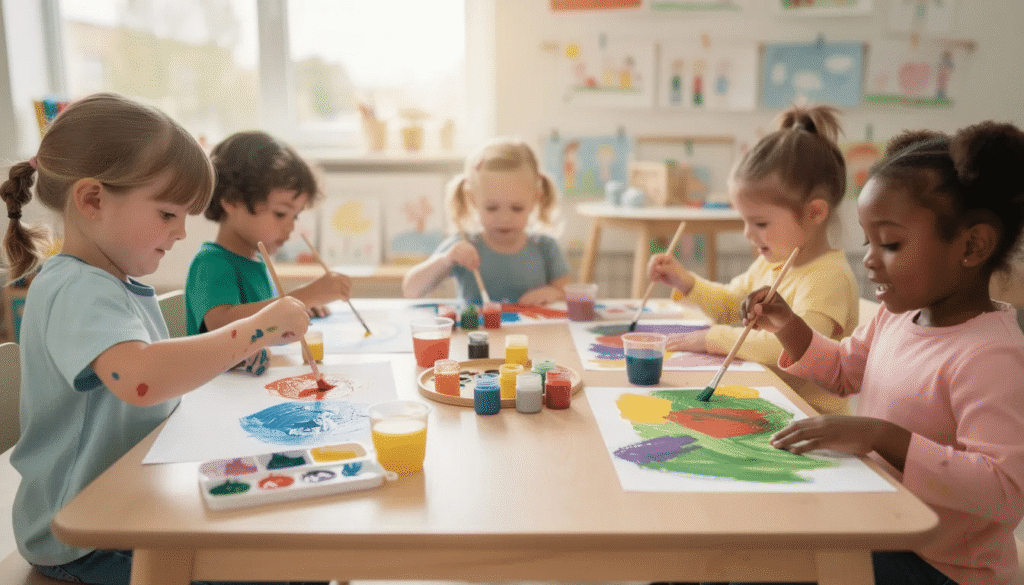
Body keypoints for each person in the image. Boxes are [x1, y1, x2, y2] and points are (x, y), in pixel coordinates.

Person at [1, 93, 317, 584]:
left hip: (130, 502)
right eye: (169, 214)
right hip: (83, 535)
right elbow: (142, 380)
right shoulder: (77, 287)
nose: (181, 232)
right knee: (292, 567)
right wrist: (257, 328)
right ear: (92, 200)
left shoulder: (110, 283)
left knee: (296, 547)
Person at [747, 122, 1024, 585]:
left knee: (762, 564)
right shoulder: (897, 317)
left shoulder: (992, 356)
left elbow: (1005, 490)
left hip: (942, 567)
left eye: (891, 244)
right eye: (868, 241)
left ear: (973, 246)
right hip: (880, 525)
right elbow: (843, 371)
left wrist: (881, 436)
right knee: (743, 543)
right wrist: (787, 325)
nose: (870, 260)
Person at [647, 104, 858, 414]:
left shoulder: (828, 278)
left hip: (810, 417)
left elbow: (786, 346)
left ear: (814, 212)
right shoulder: (772, 263)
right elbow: (730, 304)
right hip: (771, 404)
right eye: (745, 221)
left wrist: (712, 338)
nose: (748, 234)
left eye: (760, 223)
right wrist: (686, 282)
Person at [184, 131, 350, 371]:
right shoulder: (210, 264)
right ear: (231, 201)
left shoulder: (257, 260)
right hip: (221, 388)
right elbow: (222, 325)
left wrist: (297, 310)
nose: (291, 227)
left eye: (295, 216)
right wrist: (305, 296)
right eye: (281, 214)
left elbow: (265, 323)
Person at [402, 137, 570, 304]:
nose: (504, 218)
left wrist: (553, 293)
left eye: (517, 208)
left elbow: (566, 293)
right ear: (473, 199)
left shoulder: (546, 248)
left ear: (535, 199)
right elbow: (411, 291)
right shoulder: (464, 246)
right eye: (491, 208)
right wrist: (446, 259)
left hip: (533, 323)